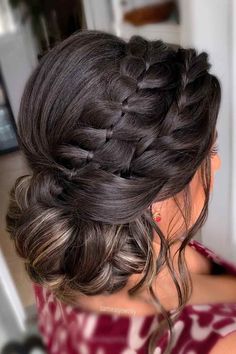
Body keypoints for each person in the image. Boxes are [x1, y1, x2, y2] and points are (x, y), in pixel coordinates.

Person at [6, 29, 236, 354]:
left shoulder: (60, 251)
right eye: (209, 154)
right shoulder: (219, 341)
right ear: (156, 201)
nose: (218, 165)